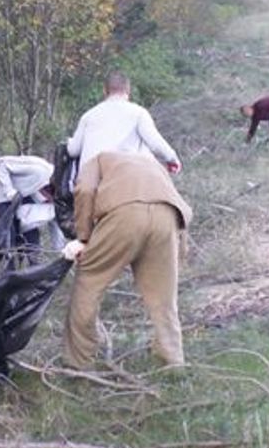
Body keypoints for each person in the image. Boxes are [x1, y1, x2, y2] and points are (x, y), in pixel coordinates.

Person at [60, 151, 193, 369]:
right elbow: (178, 202)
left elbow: (84, 190)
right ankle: (173, 362)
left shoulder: (97, 158)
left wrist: (84, 238)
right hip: (167, 217)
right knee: (164, 299)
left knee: (88, 282)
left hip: (124, 215)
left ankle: (79, 362)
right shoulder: (149, 160)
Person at [66, 71, 182, 174]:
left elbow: (73, 151)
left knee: (81, 195)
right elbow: (155, 143)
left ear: (105, 91)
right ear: (128, 90)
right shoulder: (138, 113)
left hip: (91, 175)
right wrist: (172, 158)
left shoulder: (88, 115)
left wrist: (69, 141)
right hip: (124, 172)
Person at [0, 155, 65, 258]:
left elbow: (55, 222)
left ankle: (32, 268)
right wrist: (9, 191)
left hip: (18, 201)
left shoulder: (60, 195)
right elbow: (2, 163)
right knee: (5, 242)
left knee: (32, 242)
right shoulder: (40, 170)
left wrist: (61, 253)